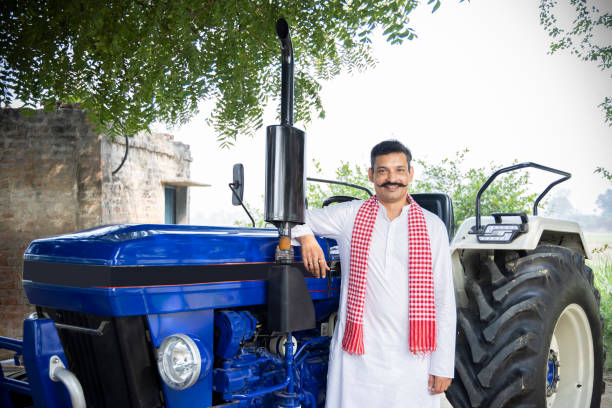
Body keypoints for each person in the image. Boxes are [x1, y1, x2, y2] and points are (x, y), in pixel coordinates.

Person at [292, 140, 456, 408]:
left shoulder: (432, 226)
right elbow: (294, 217)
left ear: (410, 174)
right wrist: (307, 238)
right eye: (383, 171)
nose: (392, 179)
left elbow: (444, 301)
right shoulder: (350, 215)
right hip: (358, 359)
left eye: (399, 170)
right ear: (371, 175)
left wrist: (443, 365)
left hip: (414, 361)